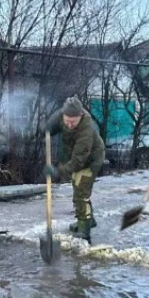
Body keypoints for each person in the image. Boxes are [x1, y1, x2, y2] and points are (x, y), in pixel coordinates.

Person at [42, 96, 105, 243]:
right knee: (77, 187)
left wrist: (58, 171)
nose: (69, 125)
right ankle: (88, 220)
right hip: (76, 158)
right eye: (67, 121)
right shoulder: (63, 114)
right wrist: (47, 129)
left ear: (81, 116)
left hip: (91, 160)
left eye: (73, 122)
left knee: (81, 191)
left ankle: (84, 228)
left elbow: (78, 161)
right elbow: (53, 124)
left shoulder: (86, 130)